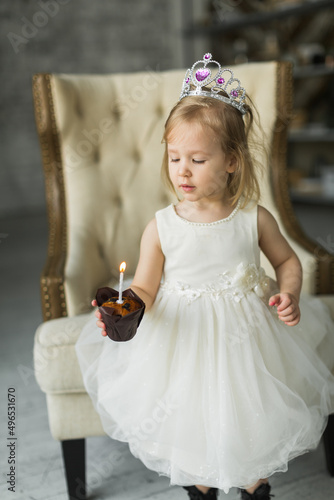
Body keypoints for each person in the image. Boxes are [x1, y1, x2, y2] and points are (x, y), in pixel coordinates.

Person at [75, 53, 334, 500]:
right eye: (175, 157)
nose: (183, 171)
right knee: (190, 417)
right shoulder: (161, 225)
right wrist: (126, 307)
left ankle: (255, 487)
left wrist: (289, 293)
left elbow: (288, 264)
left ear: (232, 161)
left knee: (252, 413)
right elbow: (144, 286)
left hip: (250, 336)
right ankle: (201, 487)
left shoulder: (254, 217)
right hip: (184, 340)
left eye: (197, 159)